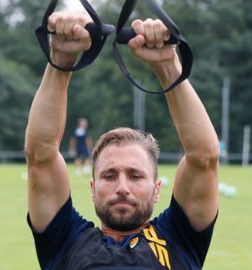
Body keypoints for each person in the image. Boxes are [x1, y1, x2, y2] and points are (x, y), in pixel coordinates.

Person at [24, 12, 219, 269]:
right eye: (109, 175)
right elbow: (40, 154)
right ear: (93, 188)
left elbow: (203, 157)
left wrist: (168, 64)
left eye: (136, 176)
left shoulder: (178, 240)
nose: (122, 187)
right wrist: (61, 58)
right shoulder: (66, 241)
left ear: (157, 188)